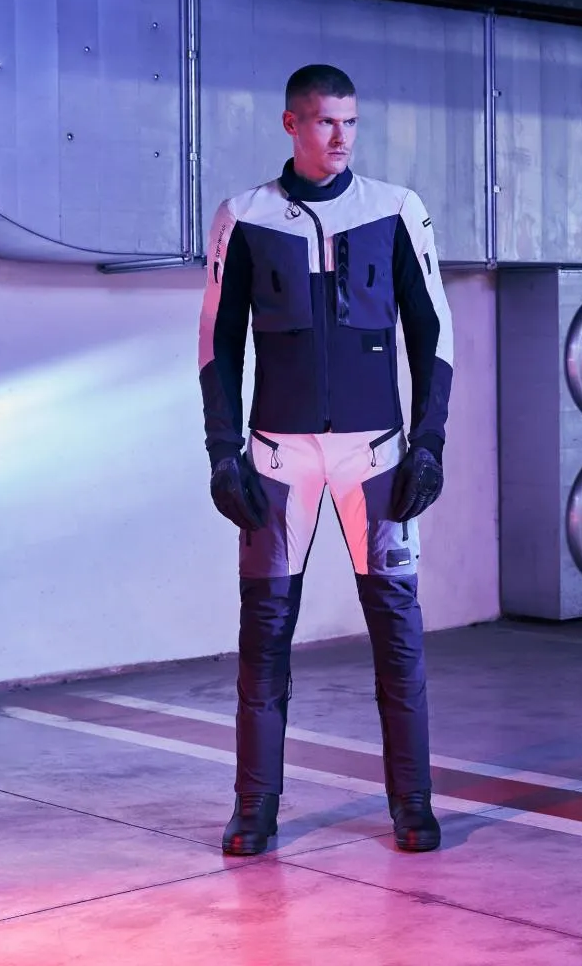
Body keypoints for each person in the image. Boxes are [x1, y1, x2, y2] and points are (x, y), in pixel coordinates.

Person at [197, 63, 454, 856]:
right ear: (292, 125)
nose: (340, 137)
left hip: (376, 458)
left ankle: (413, 805)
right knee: (264, 638)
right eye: (324, 122)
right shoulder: (243, 216)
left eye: (350, 121)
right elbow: (217, 343)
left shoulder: (396, 210)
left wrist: (429, 443)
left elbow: (433, 334)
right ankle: (254, 810)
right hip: (278, 461)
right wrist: (223, 452)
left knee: (398, 634)